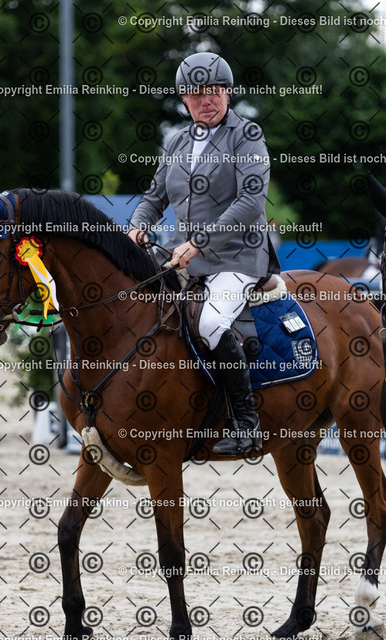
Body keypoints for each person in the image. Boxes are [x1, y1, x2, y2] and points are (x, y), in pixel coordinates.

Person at [128, 52, 280, 456]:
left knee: (211, 322)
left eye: (213, 91)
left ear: (228, 94)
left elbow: (250, 201)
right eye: (196, 94)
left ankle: (247, 423)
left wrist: (198, 242)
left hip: (239, 257)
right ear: (184, 100)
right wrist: (138, 225)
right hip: (186, 257)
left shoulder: (246, 135)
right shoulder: (177, 142)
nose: (205, 100)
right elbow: (154, 197)